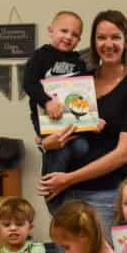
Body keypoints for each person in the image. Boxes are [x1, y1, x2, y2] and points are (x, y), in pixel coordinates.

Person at [38, 10, 127, 233]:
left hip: (104, 197)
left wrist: (69, 179)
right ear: (93, 42)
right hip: (62, 195)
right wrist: (44, 144)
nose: (108, 44)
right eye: (101, 37)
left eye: (115, 37)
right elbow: (50, 125)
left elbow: (122, 154)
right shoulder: (78, 77)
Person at [23, 10, 89, 204]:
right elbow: (29, 83)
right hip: (47, 118)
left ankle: (70, 185)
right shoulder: (41, 56)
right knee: (58, 150)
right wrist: (46, 101)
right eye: (64, 31)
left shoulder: (78, 62)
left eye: (75, 35)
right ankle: (52, 189)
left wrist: (93, 117)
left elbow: (85, 93)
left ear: (79, 40)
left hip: (73, 120)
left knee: (81, 147)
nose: (68, 37)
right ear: (51, 31)